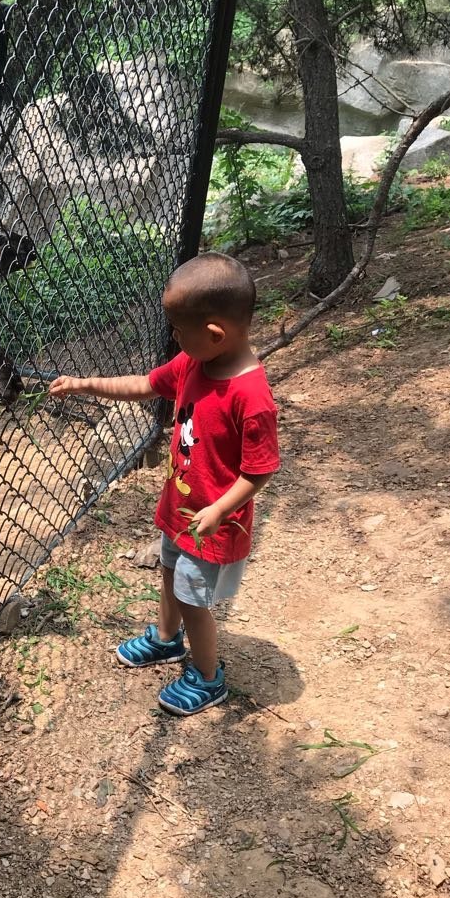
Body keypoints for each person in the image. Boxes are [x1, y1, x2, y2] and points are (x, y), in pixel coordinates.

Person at [49, 252, 279, 715]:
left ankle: (209, 677)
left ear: (214, 333)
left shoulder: (251, 397)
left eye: (178, 330)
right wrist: (84, 383)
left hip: (209, 523)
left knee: (195, 599)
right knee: (171, 576)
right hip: (179, 511)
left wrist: (220, 511)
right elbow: (145, 385)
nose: (174, 338)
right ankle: (167, 639)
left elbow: (260, 469)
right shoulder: (195, 363)